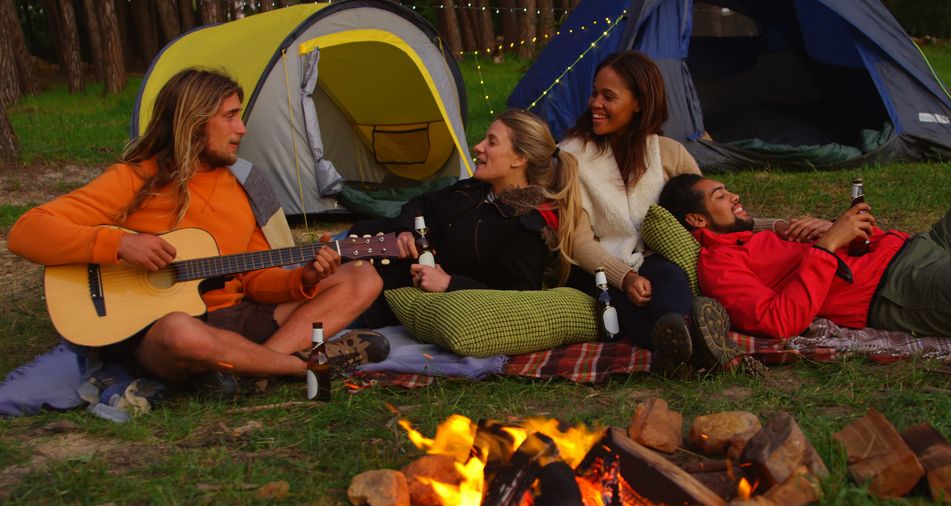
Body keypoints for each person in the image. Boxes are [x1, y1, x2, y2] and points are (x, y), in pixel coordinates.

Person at [8, 68, 386, 391]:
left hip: (238, 319)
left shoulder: (243, 186)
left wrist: (301, 279)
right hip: (166, 334)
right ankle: (299, 368)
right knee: (179, 331)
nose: (242, 128)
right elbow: (26, 231)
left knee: (362, 277)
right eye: (230, 116)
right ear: (193, 120)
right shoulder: (134, 179)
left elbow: (254, 276)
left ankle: (252, 367)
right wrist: (119, 242)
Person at [657, 140, 951, 339]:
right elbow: (775, 321)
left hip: (925, 247)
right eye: (720, 196)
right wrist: (826, 248)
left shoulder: (762, 234)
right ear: (697, 219)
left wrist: (847, 234)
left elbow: (844, 253)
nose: (733, 196)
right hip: (900, 291)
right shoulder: (720, 265)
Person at [559, 51, 767, 371]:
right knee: (625, 302)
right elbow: (577, 240)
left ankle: (683, 345)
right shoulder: (572, 158)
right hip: (598, 271)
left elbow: (712, 210)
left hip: (657, 263)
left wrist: (777, 226)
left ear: (639, 103)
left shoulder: (669, 153)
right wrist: (624, 277)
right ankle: (701, 349)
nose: (595, 104)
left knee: (670, 277)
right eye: (594, 93)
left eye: (608, 96)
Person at [348, 109, 583, 327]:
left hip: (382, 290)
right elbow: (421, 202)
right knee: (317, 263)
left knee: (321, 290)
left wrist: (450, 284)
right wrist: (405, 230)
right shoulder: (473, 189)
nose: (477, 146)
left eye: (491, 142)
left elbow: (519, 300)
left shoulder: (524, 225)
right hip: (367, 243)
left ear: (519, 158)